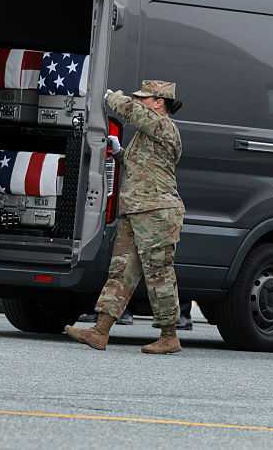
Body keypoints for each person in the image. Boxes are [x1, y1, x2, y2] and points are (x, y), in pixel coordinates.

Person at [65, 80, 185, 354]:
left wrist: (108, 96)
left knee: (159, 274)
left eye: (145, 98)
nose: (140, 101)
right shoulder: (148, 133)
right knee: (121, 271)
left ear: (158, 102)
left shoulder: (164, 126)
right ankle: (100, 331)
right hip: (135, 209)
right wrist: (120, 154)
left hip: (156, 212)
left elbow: (131, 111)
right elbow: (141, 168)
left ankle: (169, 336)